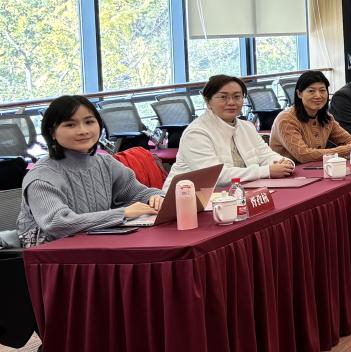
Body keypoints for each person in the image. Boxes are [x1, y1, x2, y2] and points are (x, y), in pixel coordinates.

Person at [18, 95, 164, 245]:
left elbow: (137, 193)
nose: (83, 131)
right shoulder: (42, 176)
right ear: (52, 132)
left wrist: (155, 197)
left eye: (89, 122)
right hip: (51, 252)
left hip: (97, 243)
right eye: (70, 125)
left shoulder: (105, 163)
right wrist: (123, 213)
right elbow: (57, 223)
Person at [166, 75, 294, 188]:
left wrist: (285, 163)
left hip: (236, 194)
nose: (232, 102)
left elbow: (266, 155)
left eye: (237, 97)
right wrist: (267, 171)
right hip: (187, 199)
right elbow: (215, 176)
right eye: (223, 97)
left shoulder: (247, 127)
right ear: (208, 101)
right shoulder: (196, 133)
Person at [268, 70, 351, 163]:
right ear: (299, 94)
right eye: (311, 91)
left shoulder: (326, 118)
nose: (318, 96)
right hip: (288, 170)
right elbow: (303, 155)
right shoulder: (286, 119)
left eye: (322, 90)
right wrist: (348, 149)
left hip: (316, 168)